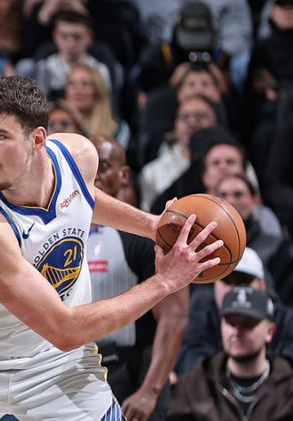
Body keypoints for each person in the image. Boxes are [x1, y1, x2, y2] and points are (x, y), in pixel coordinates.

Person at [0, 75, 223, 420]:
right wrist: (165, 282)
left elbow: (82, 196)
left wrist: (151, 224)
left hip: (57, 363)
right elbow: (65, 329)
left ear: (38, 139)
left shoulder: (78, 155)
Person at [88, 135, 187, 421]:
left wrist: (150, 390)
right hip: (75, 370)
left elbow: (175, 318)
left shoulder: (146, 238)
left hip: (130, 371)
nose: (93, 175)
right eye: (86, 168)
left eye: (102, 166)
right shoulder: (56, 234)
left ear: (124, 176)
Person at [168, 286, 293, 420]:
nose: (236, 332)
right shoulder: (194, 386)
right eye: (230, 323)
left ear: (270, 331)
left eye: (247, 323)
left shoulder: (288, 387)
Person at [176, 247, 293, 375]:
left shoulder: (284, 319)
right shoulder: (201, 310)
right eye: (226, 281)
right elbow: (186, 357)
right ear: (215, 284)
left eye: (243, 281)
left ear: (262, 285)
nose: (234, 289)